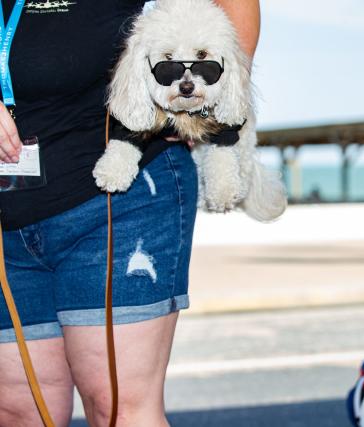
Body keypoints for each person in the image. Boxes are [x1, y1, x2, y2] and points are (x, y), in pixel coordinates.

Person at [0, 1, 260, 426]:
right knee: (19, 412)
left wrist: (218, 100)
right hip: (9, 218)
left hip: (121, 199)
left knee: (117, 409)